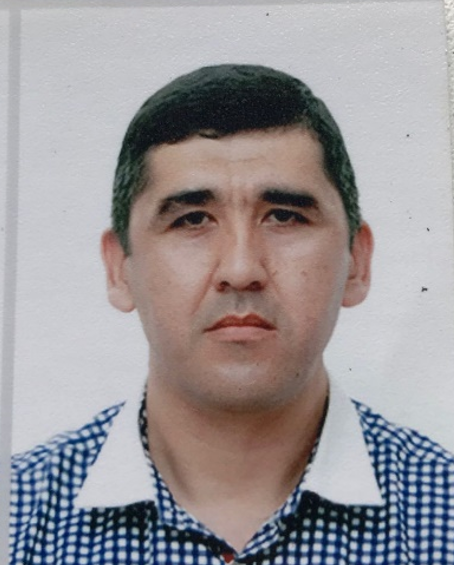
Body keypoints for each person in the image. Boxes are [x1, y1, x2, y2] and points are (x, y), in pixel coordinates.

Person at [9, 64, 454, 565]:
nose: (241, 270)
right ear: (119, 269)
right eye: (192, 219)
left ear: (357, 262)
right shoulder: (15, 519)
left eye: (284, 216)